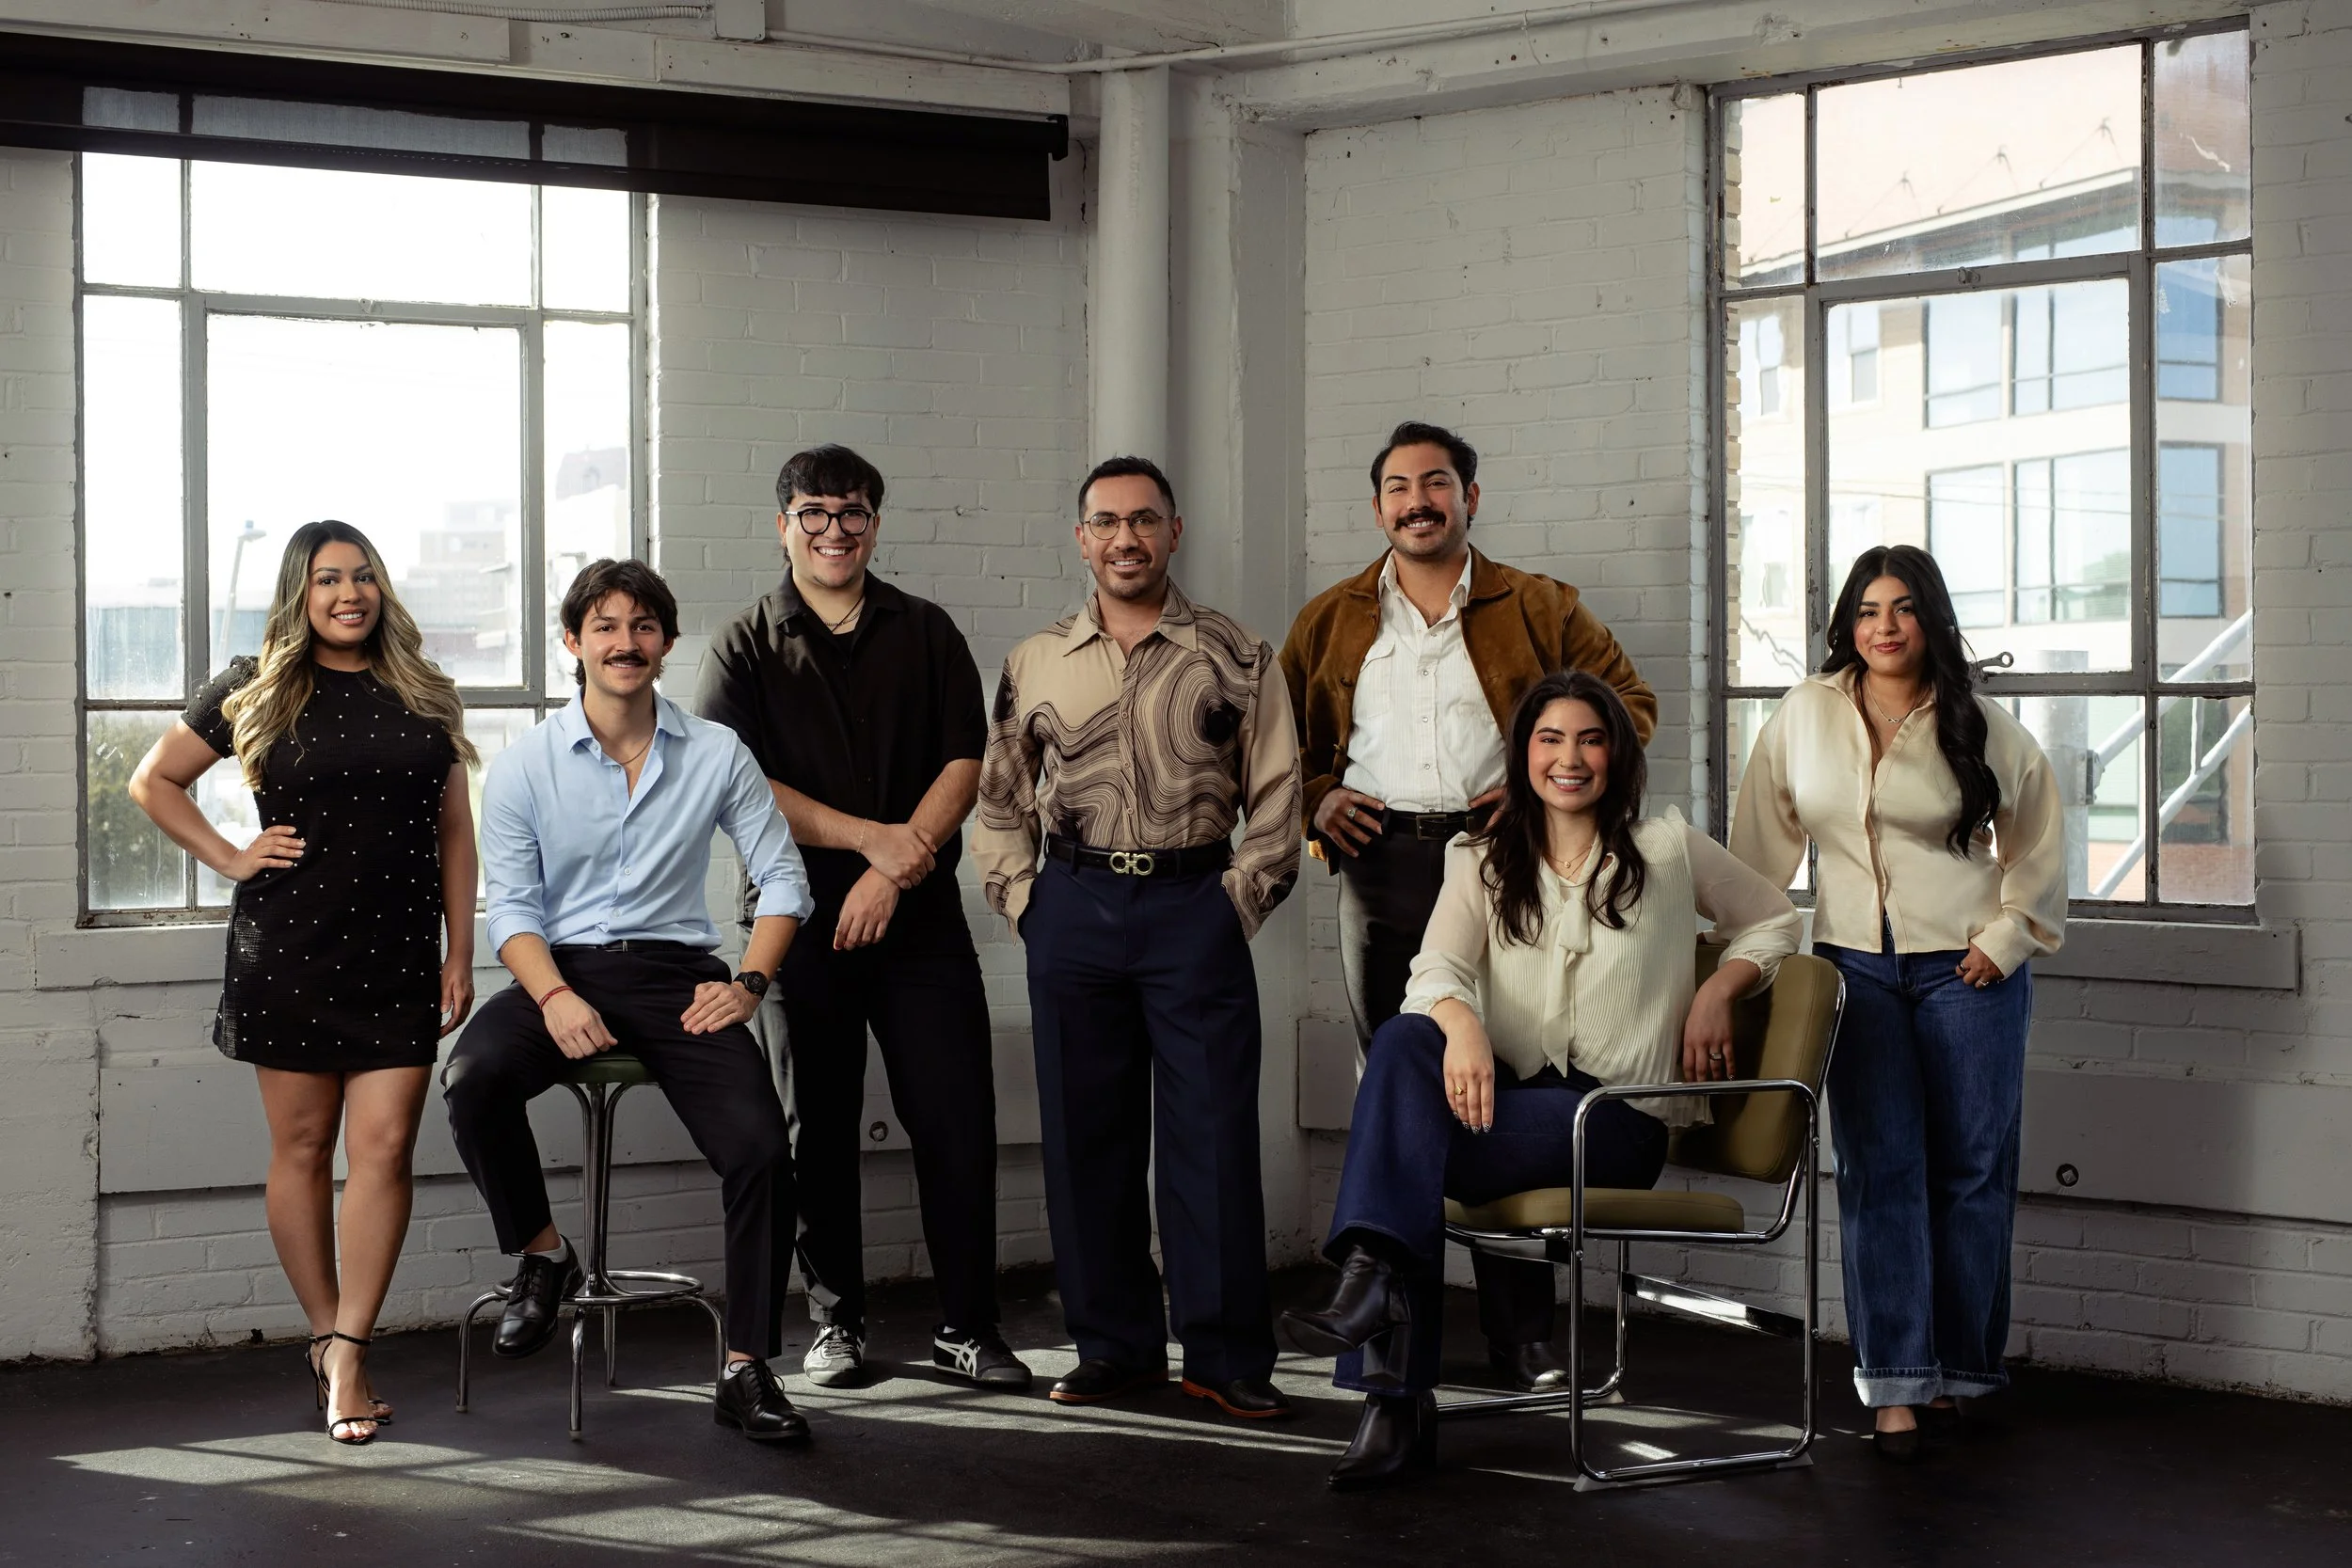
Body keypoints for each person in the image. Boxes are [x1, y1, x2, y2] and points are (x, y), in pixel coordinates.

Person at [1281, 671, 1801, 1489]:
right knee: (1408, 1044)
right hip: (1515, 1109)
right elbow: (1436, 970)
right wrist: (1462, 1029)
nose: (1570, 757)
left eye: (1590, 738)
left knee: (1397, 1155)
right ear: (1524, 754)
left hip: (1614, 1122)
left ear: (1616, 753)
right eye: (1549, 739)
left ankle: (1390, 1391)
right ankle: (1379, 1312)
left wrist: (1718, 987)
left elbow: (1774, 917)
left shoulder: (1666, 849)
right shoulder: (1481, 859)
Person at [1278, 420, 1658, 1392]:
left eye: (1436, 483)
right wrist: (1319, 794)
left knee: (1506, 1076)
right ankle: (1384, 1342)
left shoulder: (1538, 603)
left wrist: (1533, 795)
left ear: (1470, 496)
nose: (1418, 501)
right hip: (1380, 864)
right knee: (1400, 1086)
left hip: (1502, 866)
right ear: (1376, 508)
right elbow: (1277, 750)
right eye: (1399, 487)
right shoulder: (1328, 618)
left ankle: (1521, 1335)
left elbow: (1629, 703)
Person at [440, 559, 819, 1444]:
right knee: (474, 1073)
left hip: (678, 973)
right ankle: (543, 1254)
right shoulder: (528, 761)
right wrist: (558, 995)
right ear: (574, 643)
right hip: (557, 965)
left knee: (763, 1147)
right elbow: (517, 913)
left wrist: (748, 984)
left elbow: (783, 878)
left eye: (643, 626)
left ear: (666, 644)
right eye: (605, 626)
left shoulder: (717, 751)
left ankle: (746, 1367)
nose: (625, 642)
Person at [127, 519, 480, 1446]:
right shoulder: (252, 680)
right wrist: (230, 854)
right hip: (290, 948)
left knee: (388, 1144)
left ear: (382, 587)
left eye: (362, 576)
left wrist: (459, 950)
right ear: (301, 591)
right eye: (327, 579)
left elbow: (454, 830)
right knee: (303, 1146)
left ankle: (352, 1350)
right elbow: (153, 781)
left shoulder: (423, 689)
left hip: (400, 954)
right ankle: (326, 1333)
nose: (348, 593)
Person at [974, 455, 1303, 1420]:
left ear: (1174, 531)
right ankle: (1113, 1346)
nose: (1126, 537)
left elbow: (1279, 798)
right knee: (1085, 1138)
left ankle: (1226, 1352)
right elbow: (999, 799)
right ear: (1081, 537)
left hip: (1190, 906)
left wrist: (1235, 903)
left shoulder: (1237, 653)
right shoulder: (1034, 658)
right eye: (1106, 521)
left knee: (1210, 1136)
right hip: (1069, 907)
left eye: (1144, 520)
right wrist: (1024, 900)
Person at [695, 442, 1029, 1392]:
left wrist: (897, 863)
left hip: (916, 914)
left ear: (874, 524)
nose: (832, 530)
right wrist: (871, 841)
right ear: (783, 525)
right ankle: (835, 1320)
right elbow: (741, 780)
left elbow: (966, 760)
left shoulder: (924, 631)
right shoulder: (744, 643)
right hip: (792, 920)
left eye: (850, 513)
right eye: (813, 513)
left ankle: (968, 1324)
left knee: (956, 1115)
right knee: (815, 1126)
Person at [1729, 545, 2065, 1463]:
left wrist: (2004, 940)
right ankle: (1896, 1385)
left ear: (1930, 620)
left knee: (1969, 1170)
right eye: (1869, 608)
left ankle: (1960, 1366)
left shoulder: (1980, 721)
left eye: (1904, 607)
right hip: (1856, 972)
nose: (1885, 624)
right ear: (1848, 621)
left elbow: (2035, 836)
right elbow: (1757, 850)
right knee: (1880, 1170)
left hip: (1968, 972)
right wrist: (1742, 961)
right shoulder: (1803, 714)